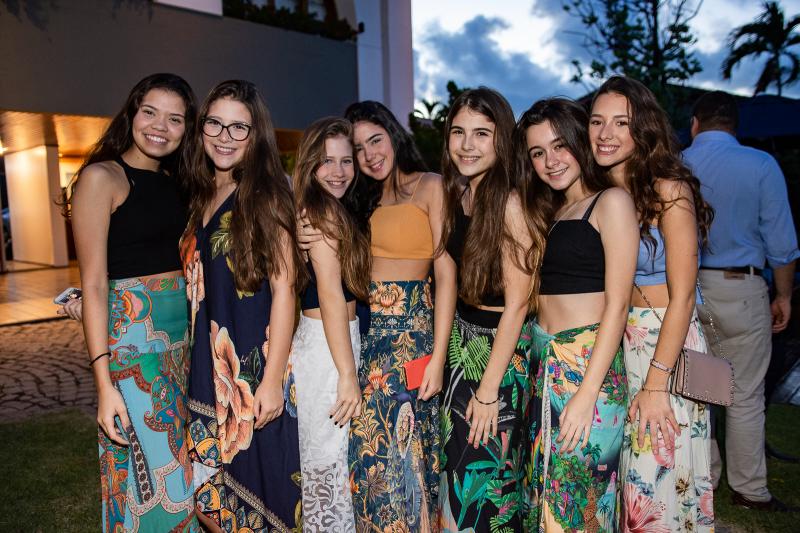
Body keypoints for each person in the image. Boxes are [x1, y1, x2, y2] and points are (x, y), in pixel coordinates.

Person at [65, 73, 200, 532]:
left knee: (183, 470)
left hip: (181, 346)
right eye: (150, 112)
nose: (160, 126)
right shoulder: (102, 178)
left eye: (175, 119)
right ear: (132, 114)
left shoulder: (179, 183)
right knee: (158, 478)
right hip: (133, 350)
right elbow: (94, 283)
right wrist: (104, 385)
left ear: (187, 128)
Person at [590, 75, 716, 531]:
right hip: (620, 344)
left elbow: (683, 296)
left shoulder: (669, 188)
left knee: (657, 476)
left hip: (667, 344)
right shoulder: (598, 191)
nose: (605, 133)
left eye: (620, 123)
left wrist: (657, 383)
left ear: (642, 128)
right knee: (628, 477)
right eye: (597, 121)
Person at [180, 80, 304, 532]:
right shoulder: (198, 195)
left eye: (238, 127)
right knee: (210, 502)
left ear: (255, 136)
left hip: (252, 371)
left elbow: (286, 289)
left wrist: (271, 381)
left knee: (264, 497)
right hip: (206, 366)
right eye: (215, 123)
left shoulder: (267, 197)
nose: (224, 136)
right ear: (201, 128)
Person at [333, 100, 456, 532]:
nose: (369, 154)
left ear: (394, 135)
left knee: (411, 462)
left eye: (376, 140)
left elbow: (446, 274)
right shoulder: (358, 202)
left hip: (413, 340)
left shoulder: (429, 186)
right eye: (358, 148)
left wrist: (438, 357)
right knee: (370, 462)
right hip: (369, 343)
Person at [518, 97, 637, 531]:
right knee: (543, 498)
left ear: (579, 141)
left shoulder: (611, 202)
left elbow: (618, 306)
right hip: (544, 365)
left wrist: (587, 394)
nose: (550, 161)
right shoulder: (552, 211)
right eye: (537, 153)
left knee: (579, 504)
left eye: (559, 146)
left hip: (587, 369)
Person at [684, 90, 799, 511]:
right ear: (735, 125)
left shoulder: (677, 163)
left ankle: (704, 478)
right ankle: (749, 489)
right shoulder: (760, 164)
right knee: (745, 395)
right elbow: (782, 244)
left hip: (688, 289)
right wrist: (783, 294)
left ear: (695, 124)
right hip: (742, 287)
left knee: (698, 391)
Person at [437, 87, 535, 532]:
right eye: (458, 132)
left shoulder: (511, 202)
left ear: (502, 139)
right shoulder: (461, 195)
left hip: (499, 354)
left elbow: (518, 304)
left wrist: (490, 389)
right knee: (458, 470)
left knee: (489, 476)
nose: (467, 145)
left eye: (481, 133)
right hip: (463, 345)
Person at [290, 117, 371, 530]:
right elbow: (330, 294)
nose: (338, 172)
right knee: (327, 461)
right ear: (309, 163)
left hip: (332, 341)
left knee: (332, 460)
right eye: (326, 161)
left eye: (346, 161)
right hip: (327, 348)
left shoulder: (329, 208)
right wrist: (347, 375)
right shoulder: (319, 212)